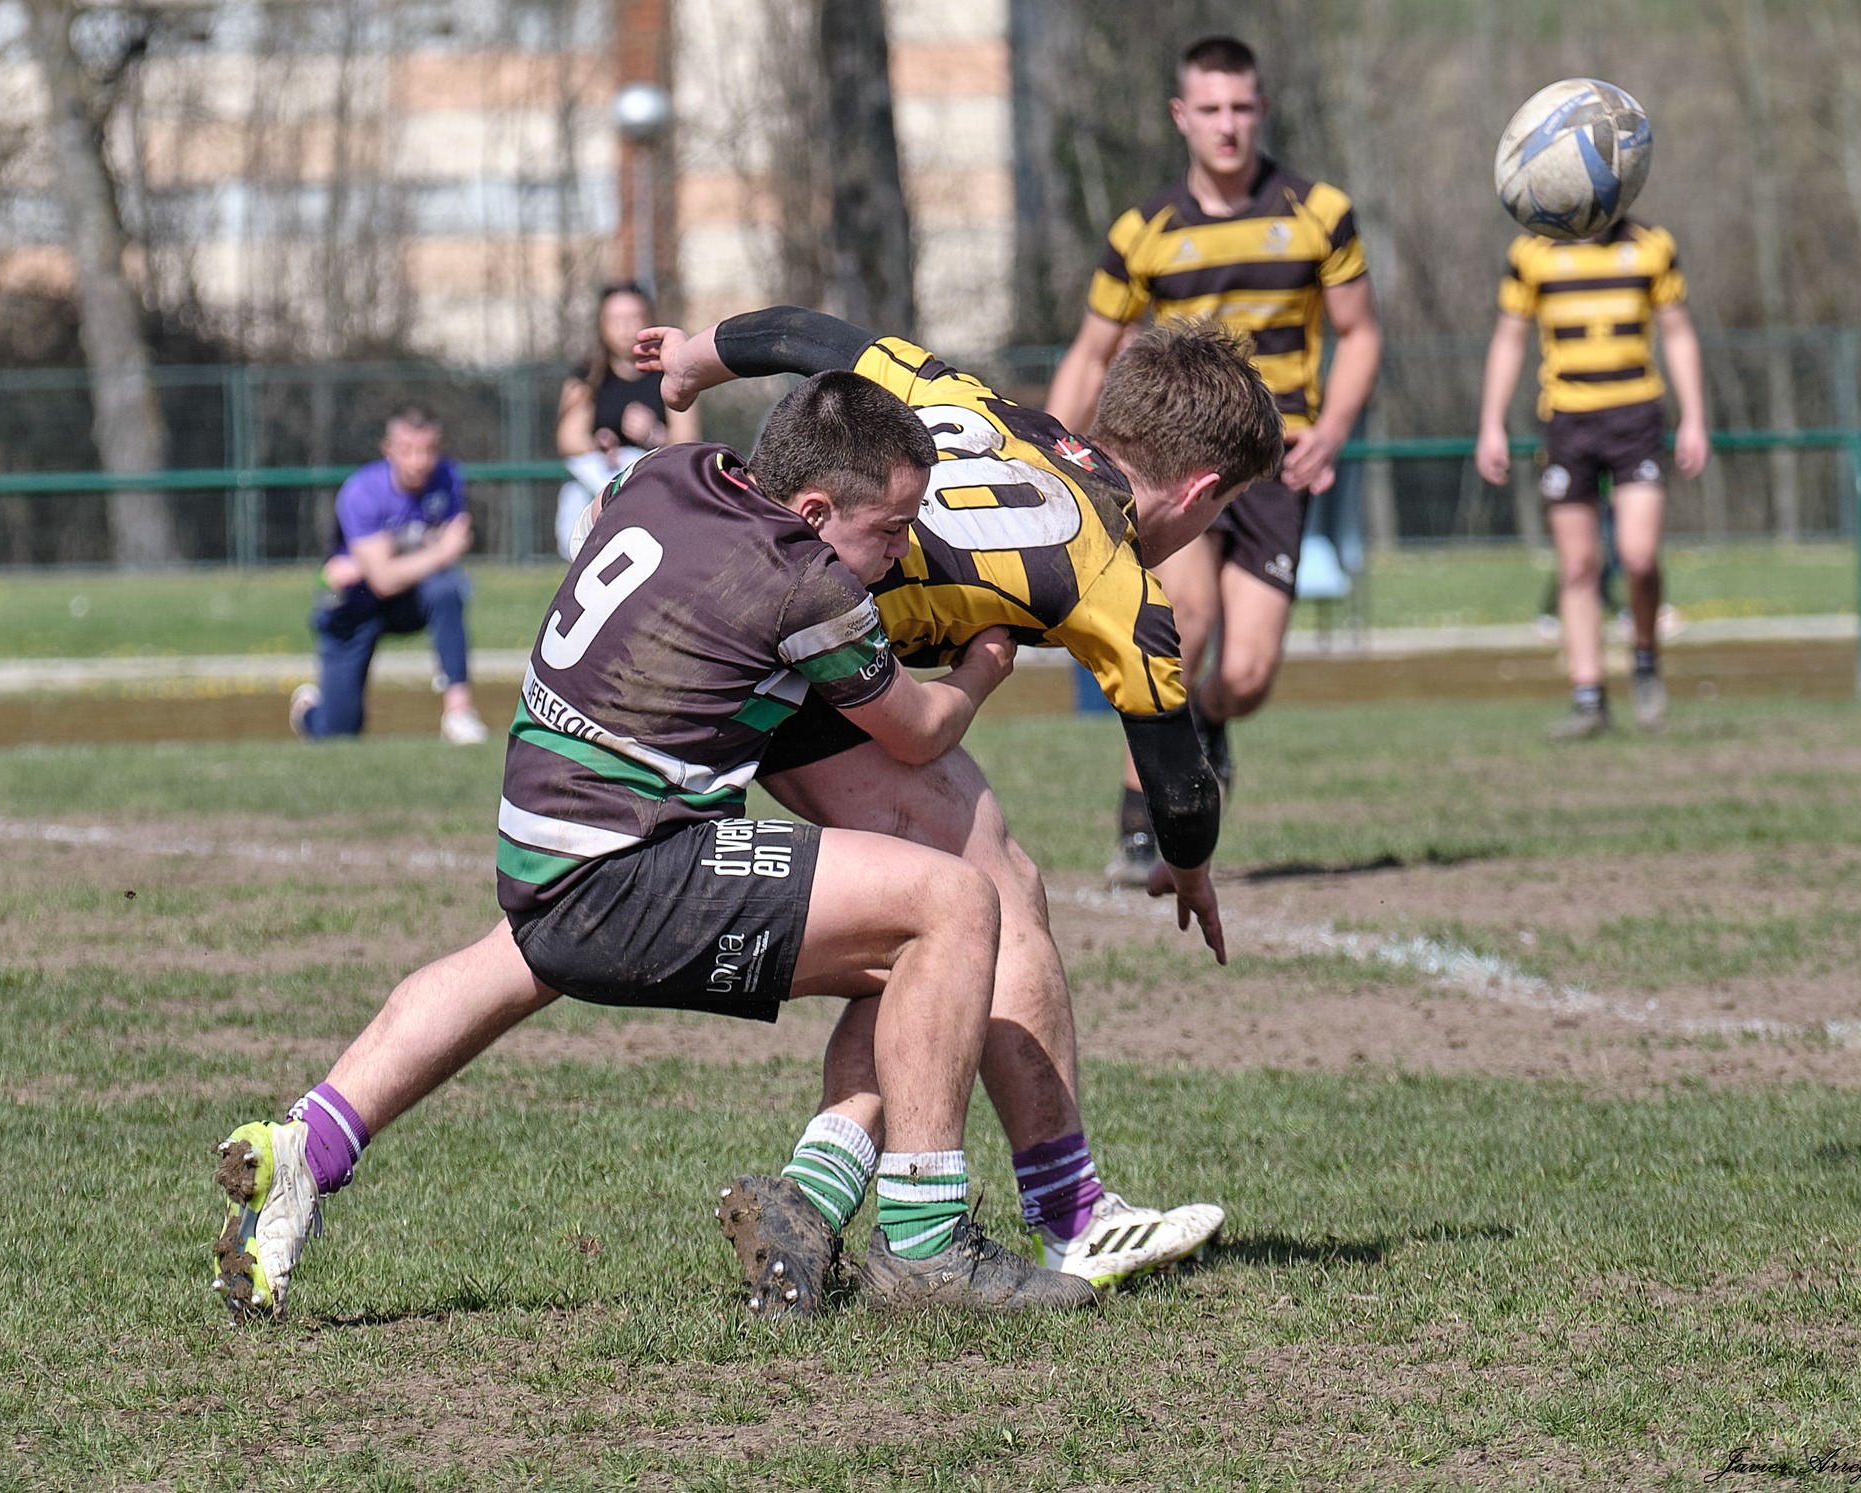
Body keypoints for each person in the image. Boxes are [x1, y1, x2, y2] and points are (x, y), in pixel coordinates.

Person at [215, 371, 1098, 1320]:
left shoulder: (674, 469)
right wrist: (986, 662)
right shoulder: (805, 579)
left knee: (907, 970)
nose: (894, 555)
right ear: (810, 507)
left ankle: (308, 1144)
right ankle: (925, 1250)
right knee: (955, 903)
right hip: (629, 866)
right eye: (887, 530)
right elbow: (920, 730)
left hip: (541, 842)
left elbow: (606, 510)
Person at [636, 304, 1283, 1309]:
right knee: (989, 892)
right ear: (1200, 493)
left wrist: (689, 360)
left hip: (756, 637)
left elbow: (816, 338)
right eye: (1217, 511)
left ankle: (810, 1195)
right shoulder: (1115, 575)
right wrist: (1188, 862)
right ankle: (1071, 1214)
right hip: (791, 668)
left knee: (928, 930)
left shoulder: (983, 407)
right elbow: (1176, 771)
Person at [1045, 34, 1384, 885]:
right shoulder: (1145, 232)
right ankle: (1138, 823)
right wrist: (1048, 450)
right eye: (1211, 109)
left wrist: (1335, 426)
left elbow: (1361, 333)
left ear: (1261, 111)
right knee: (1181, 620)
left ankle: (1212, 724)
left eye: (1241, 108)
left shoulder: (1320, 212)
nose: (1227, 126)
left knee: (1247, 673)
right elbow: (1092, 353)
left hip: (1278, 466)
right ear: (1181, 116)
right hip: (1176, 463)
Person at [1476, 215, 1707, 737]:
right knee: (1578, 564)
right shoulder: (1531, 253)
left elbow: (1677, 331)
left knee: (1639, 556)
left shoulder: (1651, 245)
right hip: (1568, 422)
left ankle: (1645, 661)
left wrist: (1694, 416)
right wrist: (1490, 423)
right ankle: (1588, 699)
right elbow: (1509, 339)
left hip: (1637, 417)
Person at [294, 404, 488, 745]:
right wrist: (437, 549)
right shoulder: (361, 491)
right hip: (349, 606)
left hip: (405, 599)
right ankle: (309, 710)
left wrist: (383, 558)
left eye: (427, 451)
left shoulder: (448, 477)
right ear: (388, 450)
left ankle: (459, 712)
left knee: (446, 590)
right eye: (408, 451)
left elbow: (459, 535)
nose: (418, 461)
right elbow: (384, 580)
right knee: (338, 733)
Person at [554, 283, 701, 559]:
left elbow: (689, 443)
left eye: (633, 318)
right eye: (616, 320)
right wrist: (599, 445)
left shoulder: (672, 373)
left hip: (656, 487)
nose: (625, 328)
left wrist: (654, 436)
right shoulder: (588, 375)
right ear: (602, 325)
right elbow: (568, 440)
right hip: (597, 485)